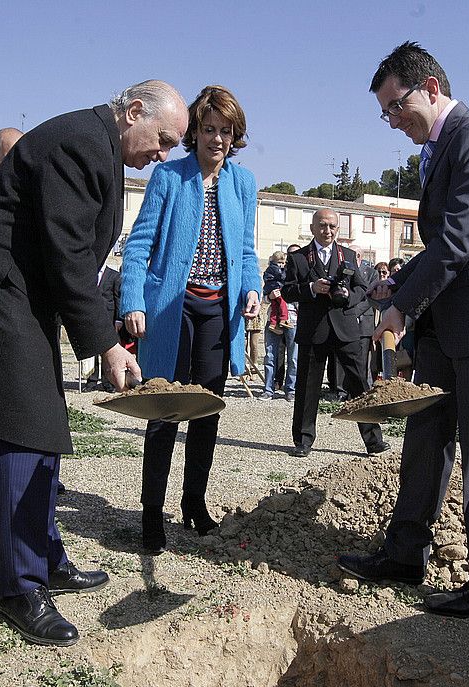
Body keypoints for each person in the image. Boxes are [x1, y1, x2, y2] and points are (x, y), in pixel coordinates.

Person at [0, 80, 188, 646]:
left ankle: (45, 556)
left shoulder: (103, 147)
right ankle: (19, 586)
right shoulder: (78, 142)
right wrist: (105, 344)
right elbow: (66, 252)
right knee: (23, 428)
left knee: (43, 425)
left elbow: (76, 258)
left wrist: (98, 331)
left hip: (23, 297)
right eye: (162, 139)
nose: (162, 154)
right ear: (133, 111)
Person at [338, 41, 469, 618]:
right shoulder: (436, 148)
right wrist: (398, 284)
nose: (393, 120)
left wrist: (402, 304)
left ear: (430, 87)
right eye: (385, 113)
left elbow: (460, 237)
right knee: (425, 438)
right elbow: (439, 246)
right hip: (448, 322)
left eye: (396, 105)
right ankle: (406, 552)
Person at [119, 85, 261, 554]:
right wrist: (132, 300)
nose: (216, 139)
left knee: (206, 413)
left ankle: (194, 503)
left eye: (225, 131)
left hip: (218, 311)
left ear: (234, 136)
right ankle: (151, 513)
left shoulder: (244, 184)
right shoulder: (168, 178)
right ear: (194, 132)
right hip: (170, 310)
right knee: (165, 412)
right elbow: (139, 244)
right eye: (208, 129)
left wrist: (254, 288)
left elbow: (245, 251)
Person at [282, 209, 385, 458]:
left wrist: (349, 297)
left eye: (332, 226)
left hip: (346, 328)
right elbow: (287, 291)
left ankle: (373, 440)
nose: (327, 231)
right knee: (308, 388)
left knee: (360, 384)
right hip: (313, 330)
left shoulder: (348, 255)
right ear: (313, 227)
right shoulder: (298, 258)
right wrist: (311, 288)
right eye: (323, 226)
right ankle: (303, 440)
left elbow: (362, 287)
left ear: (337, 229)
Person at [262, 251, 297, 400]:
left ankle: (291, 389)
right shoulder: (271, 276)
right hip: (273, 319)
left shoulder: (294, 276)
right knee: (270, 355)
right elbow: (263, 298)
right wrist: (269, 297)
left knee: (293, 357)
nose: (282, 266)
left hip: (293, 319)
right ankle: (268, 389)